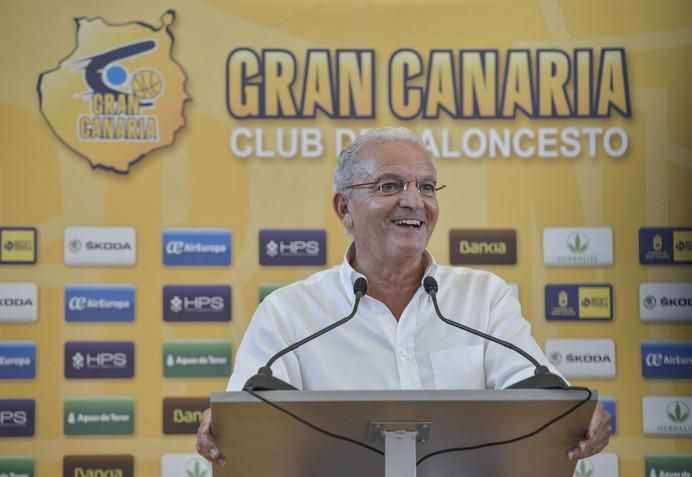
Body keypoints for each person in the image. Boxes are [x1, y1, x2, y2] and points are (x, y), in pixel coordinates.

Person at [196, 127, 611, 466]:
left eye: (427, 186)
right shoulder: (290, 313)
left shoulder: (483, 298)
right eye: (390, 185)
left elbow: (534, 394)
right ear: (345, 209)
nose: (414, 200)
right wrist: (230, 425)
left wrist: (571, 412)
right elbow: (252, 419)